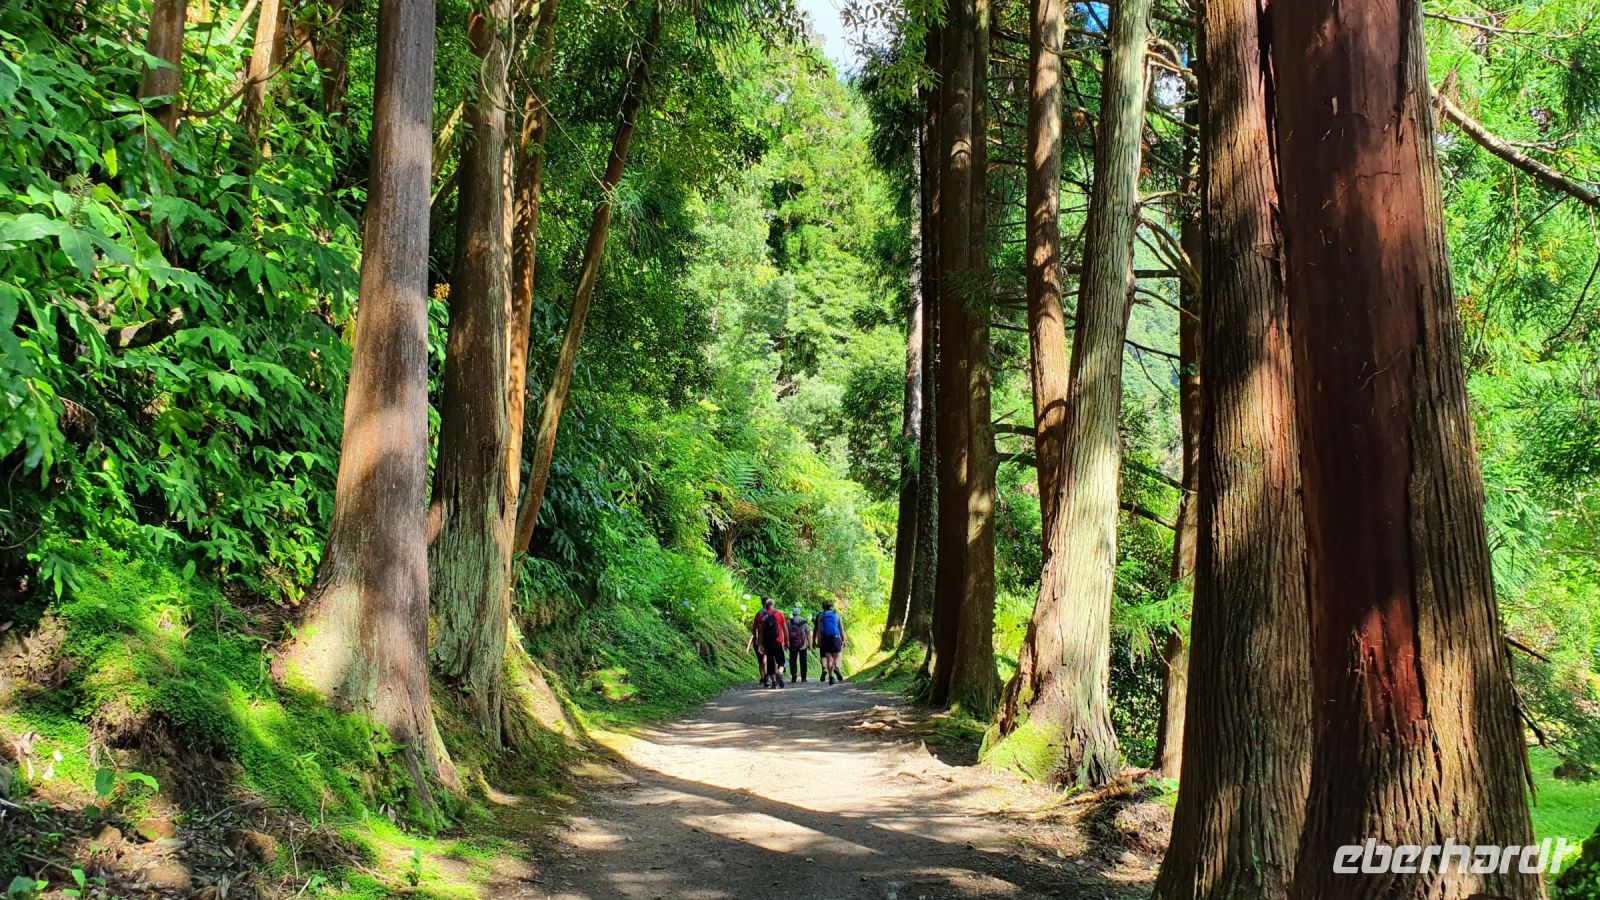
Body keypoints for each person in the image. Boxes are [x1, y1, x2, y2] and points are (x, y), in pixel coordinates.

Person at [749, 598, 787, 688]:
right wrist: (787, 641)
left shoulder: (761, 615)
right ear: (773, 606)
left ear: (765, 606)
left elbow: (760, 631)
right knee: (781, 662)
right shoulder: (779, 614)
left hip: (767, 642)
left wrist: (760, 643)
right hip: (778, 641)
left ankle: (773, 681)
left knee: (769, 661)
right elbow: (785, 629)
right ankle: (779, 672)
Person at [815, 599, 845, 684]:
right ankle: (836, 668)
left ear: (823, 607)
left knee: (829, 659)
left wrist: (819, 641)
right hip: (835, 638)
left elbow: (819, 631)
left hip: (825, 639)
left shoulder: (821, 616)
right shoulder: (837, 615)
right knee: (836, 657)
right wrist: (843, 640)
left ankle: (831, 676)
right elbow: (842, 630)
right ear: (832, 606)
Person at [786, 608, 811, 683]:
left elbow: (786, 633)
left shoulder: (789, 622)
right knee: (803, 660)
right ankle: (803, 678)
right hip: (803, 645)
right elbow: (808, 634)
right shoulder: (804, 621)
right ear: (800, 613)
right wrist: (810, 644)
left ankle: (794, 674)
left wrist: (786, 642)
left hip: (792, 644)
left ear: (793, 613)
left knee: (793, 659)